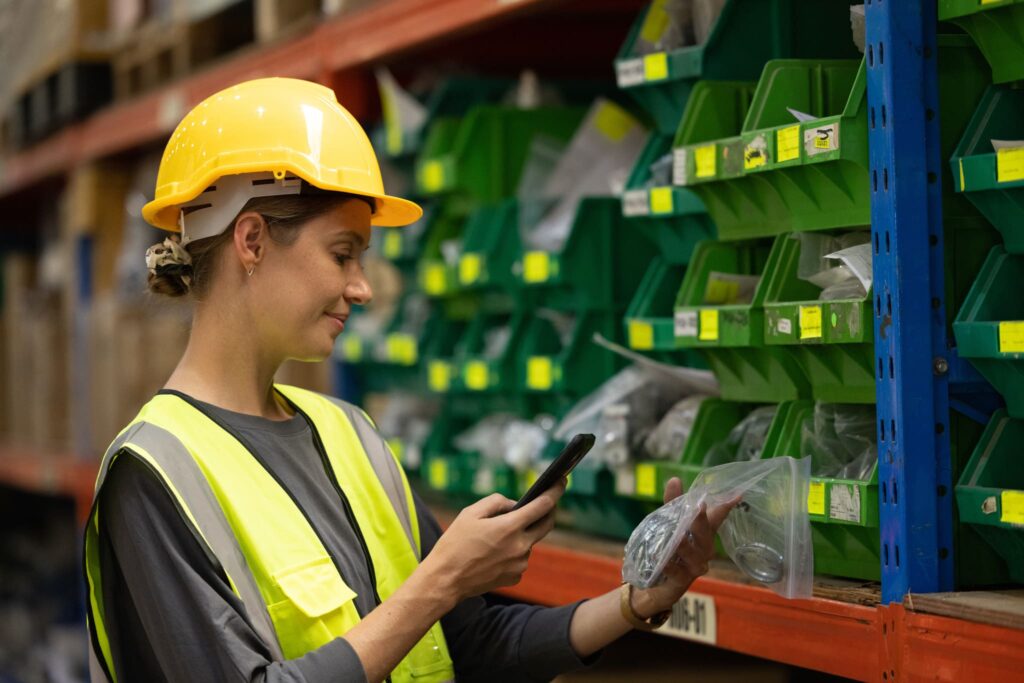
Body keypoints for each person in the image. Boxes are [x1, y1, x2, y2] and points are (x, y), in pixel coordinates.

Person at [82, 77, 732, 683]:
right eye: (343, 254)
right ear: (251, 240)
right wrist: (441, 579)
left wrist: (637, 600)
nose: (362, 288)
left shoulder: (349, 436)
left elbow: (472, 643)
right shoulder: (155, 472)